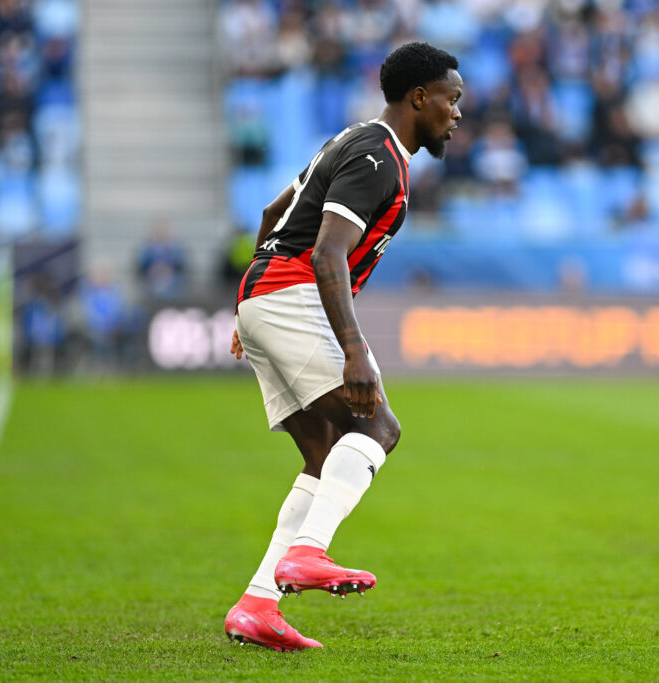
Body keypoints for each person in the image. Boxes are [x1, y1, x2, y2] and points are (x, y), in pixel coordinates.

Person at [222, 42, 462, 652]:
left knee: (324, 452)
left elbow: (274, 213)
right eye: (451, 99)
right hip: (292, 293)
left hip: (267, 295)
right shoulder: (378, 156)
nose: (456, 114)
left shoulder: (351, 139)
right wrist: (353, 352)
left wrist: (252, 306)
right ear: (419, 98)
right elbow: (327, 252)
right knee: (378, 426)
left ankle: (258, 605)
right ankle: (308, 552)